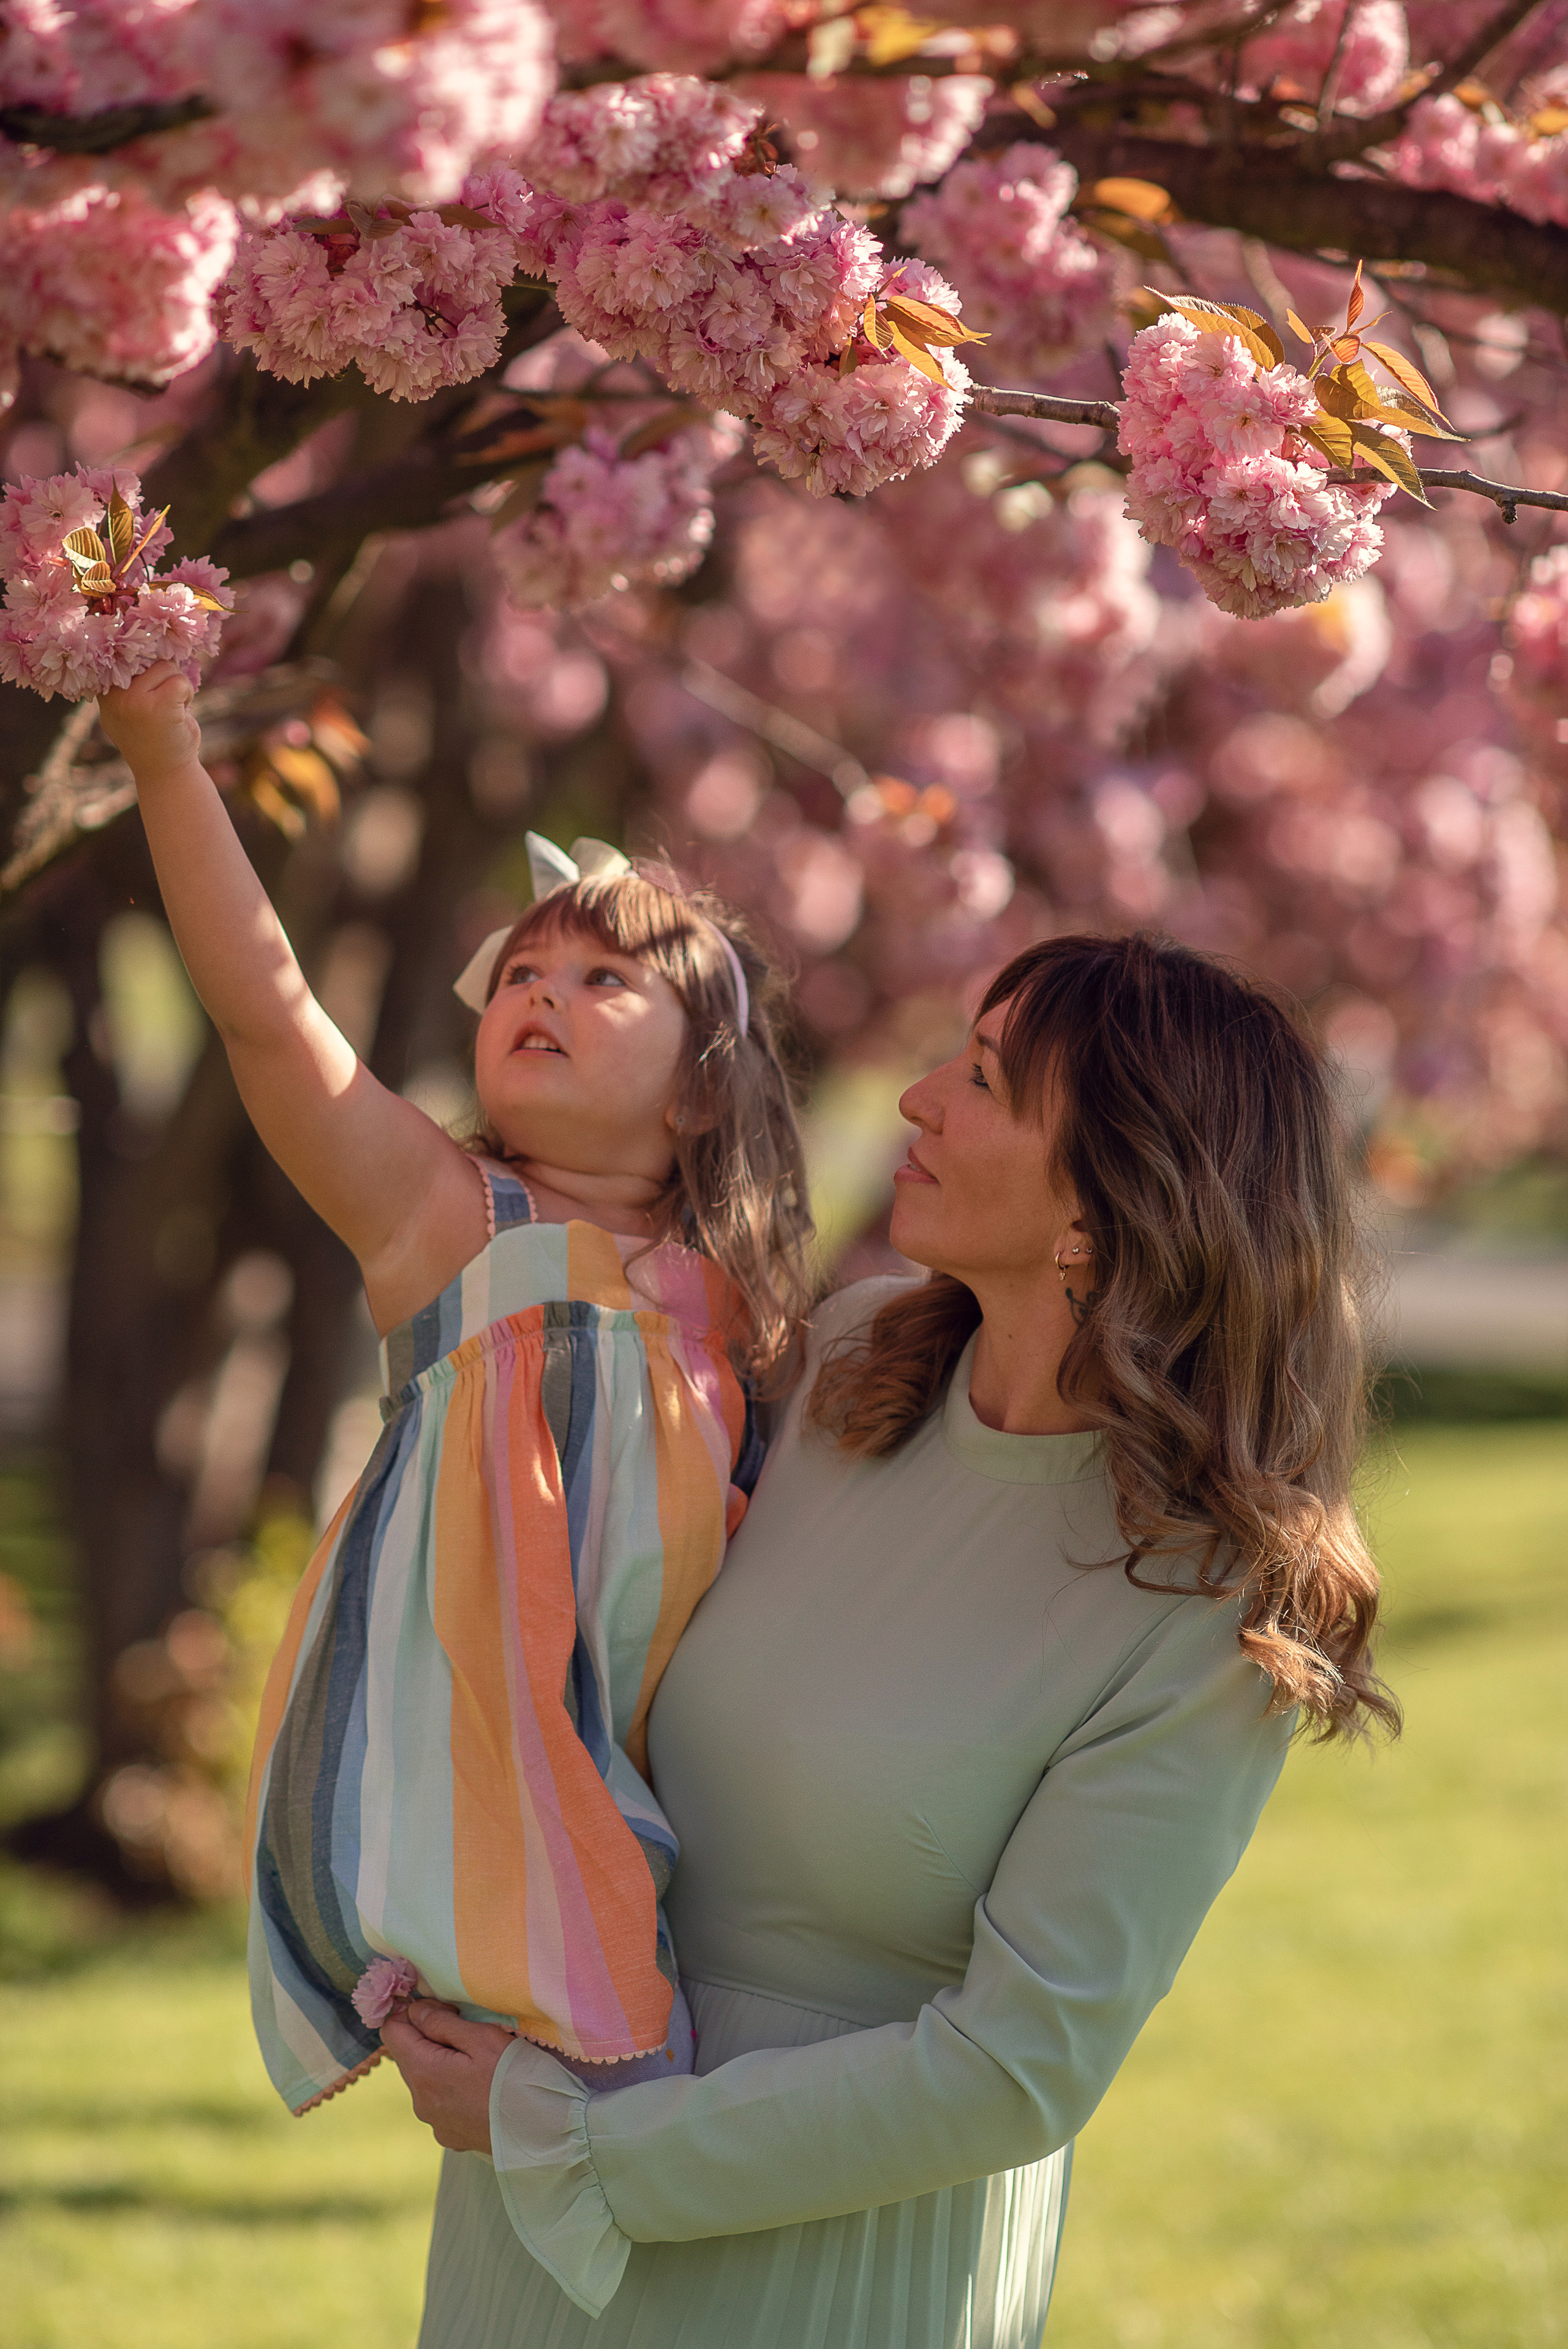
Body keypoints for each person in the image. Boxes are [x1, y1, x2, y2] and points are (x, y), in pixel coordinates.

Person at [380, 931, 1397, 2349]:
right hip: (529, 2226)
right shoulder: (852, 1367)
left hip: (826, 2272)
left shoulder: (1210, 1605)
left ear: (1096, 1215)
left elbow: (1015, 2070)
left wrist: (579, 2145)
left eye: (980, 1078)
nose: (915, 1099)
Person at [96, 665, 813, 2116]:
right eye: (523, 976)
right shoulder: (447, 1218)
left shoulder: (731, 1299)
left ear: (697, 1092)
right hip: (500, 1743)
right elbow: (264, 1017)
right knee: (579, 2083)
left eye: (603, 980)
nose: (541, 993)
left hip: (675, 1743)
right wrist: (167, 760)